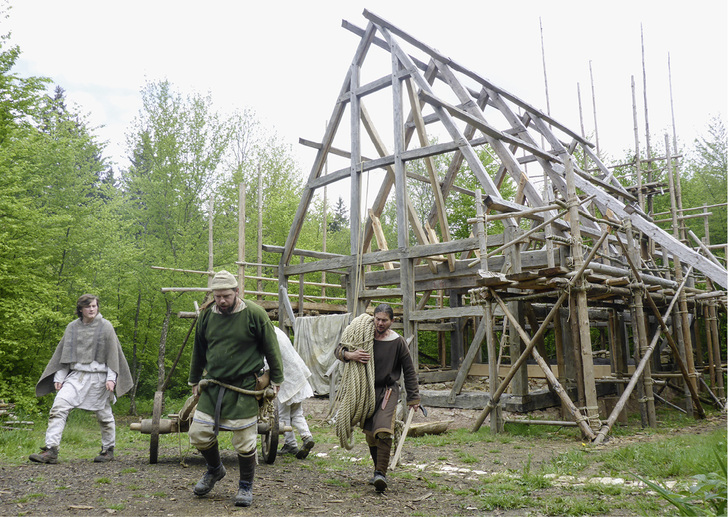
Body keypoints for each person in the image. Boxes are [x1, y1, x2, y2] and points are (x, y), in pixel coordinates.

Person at [187, 270, 283, 508]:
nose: (221, 300)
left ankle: (245, 486)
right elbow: (198, 350)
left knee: (244, 440)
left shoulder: (255, 314)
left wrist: (276, 379)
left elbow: (272, 349)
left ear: (237, 292)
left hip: (244, 387)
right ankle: (215, 469)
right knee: (198, 433)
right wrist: (194, 380)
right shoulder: (207, 316)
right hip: (213, 385)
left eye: (226, 296)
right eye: (217, 296)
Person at [30, 294, 132, 464]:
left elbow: (113, 356)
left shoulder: (106, 327)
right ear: (80, 309)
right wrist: (59, 376)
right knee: (59, 407)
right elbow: (65, 355)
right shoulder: (72, 328)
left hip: (100, 377)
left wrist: (111, 378)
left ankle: (108, 450)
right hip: (76, 376)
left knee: (104, 415)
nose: (92, 309)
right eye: (88, 306)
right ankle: (51, 450)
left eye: (94, 306)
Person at [335, 303, 420, 493]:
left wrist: (413, 398)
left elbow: (409, 370)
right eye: (377, 319)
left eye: (384, 320)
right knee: (371, 435)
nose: (380, 323)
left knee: (383, 429)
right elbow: (338, 351)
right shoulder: (362, 335)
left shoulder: (398, 342)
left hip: (388, 390)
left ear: (392, 321)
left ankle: (381, 474)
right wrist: (351, 354)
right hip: (365, 390)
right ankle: (377, 471)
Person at [274, 326, 315, 459]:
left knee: (283, 415)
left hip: (287, 380)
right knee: (297, 413)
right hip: (297, 375)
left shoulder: (268, 336)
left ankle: (290, 444)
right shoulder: (277, 331)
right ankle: (306, 436)